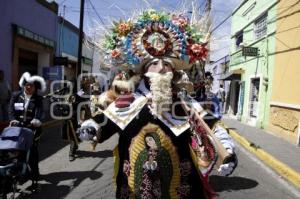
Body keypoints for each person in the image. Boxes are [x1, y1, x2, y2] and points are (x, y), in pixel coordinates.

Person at [76, 7, 240, 198]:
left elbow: (211, 126)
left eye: (167, 64)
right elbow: (104, 123)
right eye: (155, 63)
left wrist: (226, 149)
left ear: (174, 70)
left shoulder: (185, 102)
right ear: (144, 70)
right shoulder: (128, 102)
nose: (162, 68)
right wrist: (91, 127)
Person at [8, 72, 46, 191]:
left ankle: (35, 176)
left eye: (31, 85)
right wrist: (13, 119)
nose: (29, 87)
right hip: (18, 128)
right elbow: (11, 110)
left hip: (32, 129)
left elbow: (40, 112)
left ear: (35, 87)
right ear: (23, 86)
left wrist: (37, 120)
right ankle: (20, 173)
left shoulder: (38, 98)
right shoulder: (16, 95)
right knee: (16, 150)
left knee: (32, 152)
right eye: (27, 85)